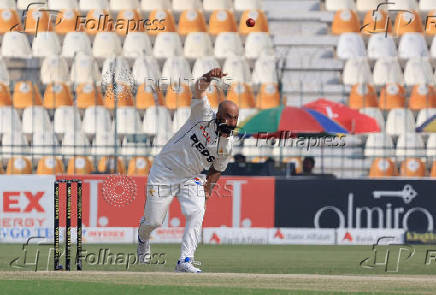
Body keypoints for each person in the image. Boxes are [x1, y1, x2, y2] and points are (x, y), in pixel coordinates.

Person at [137, 68, 239, 273]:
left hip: (190, 177)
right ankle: (142, 238)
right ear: (218, 114)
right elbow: (198, 91)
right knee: (153, 221)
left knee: (197, 211)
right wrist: (208, 78)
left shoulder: (227, 145)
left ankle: (184, 260)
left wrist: (208, 189)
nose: (232, 122)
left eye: (235, 118)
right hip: (164, 170)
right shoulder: (202, 114)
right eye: (228, 117)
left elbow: (218, 168)